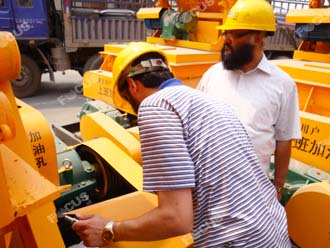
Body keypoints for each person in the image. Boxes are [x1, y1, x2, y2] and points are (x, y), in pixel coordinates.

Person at [72, 42, 291, 248]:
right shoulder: (212, 102)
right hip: (274, 232)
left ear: (132, 85)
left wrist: (109, 229)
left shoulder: (155, 106)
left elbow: (176, 219)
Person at [197, 0, 301, 200]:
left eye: (235, 35)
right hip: (206, 186)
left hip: (251, 192)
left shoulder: (282, 85)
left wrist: (278, 188)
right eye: (225, 33)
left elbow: (284, 140)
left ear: (259, 37)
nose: (226, 40)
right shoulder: (212, 75)